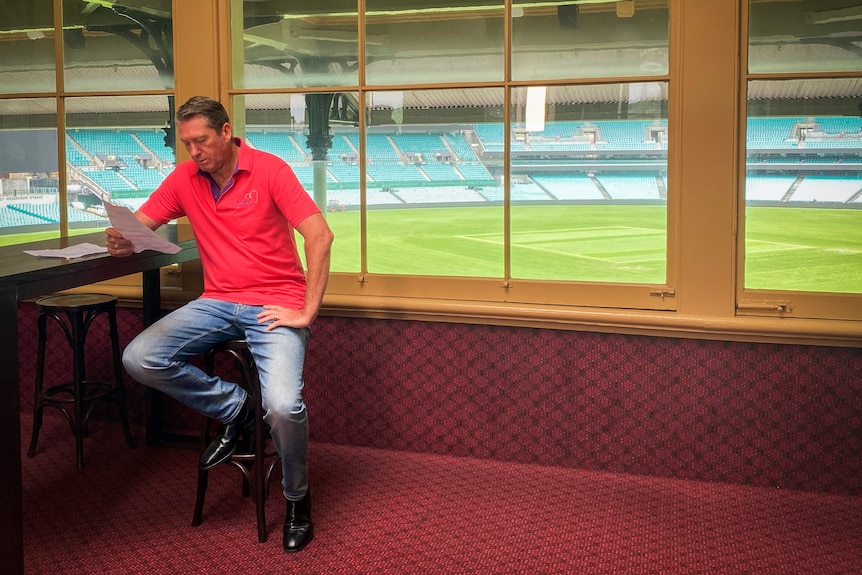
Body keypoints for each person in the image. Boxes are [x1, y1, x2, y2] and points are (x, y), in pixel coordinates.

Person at [105, 95, 333, 553]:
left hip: (276, 302)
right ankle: (237, 408)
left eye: (202, 140)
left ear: (226, 132)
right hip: (218, 301)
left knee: (285, 407)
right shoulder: (185, 177)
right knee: (140, 357)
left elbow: (320, 234)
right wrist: (121, 241)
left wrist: (307, 312)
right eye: (186, 143)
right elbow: (141, 227)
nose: (194, 152)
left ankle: (296, 500)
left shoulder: (270, 170)